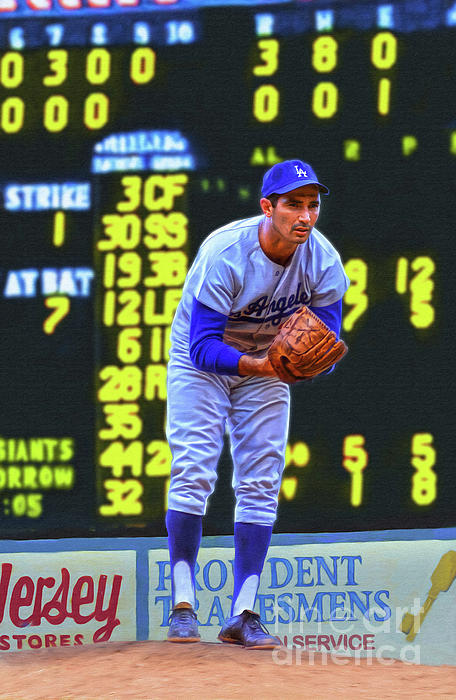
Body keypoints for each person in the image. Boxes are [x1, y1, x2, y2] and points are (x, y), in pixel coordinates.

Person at [165, 159, 350, 648]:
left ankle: (243, 612)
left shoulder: (324, 263)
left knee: (262, 479)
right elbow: (201, 348)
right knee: (194, 471)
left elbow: (327, 348)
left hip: (267, 362)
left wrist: (307, 362)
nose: (305, 215)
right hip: (201, 363)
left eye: (312, 205)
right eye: (293, 204)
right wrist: (268, 365)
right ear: (268, 207)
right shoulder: (227, 252)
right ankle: (183, 604)